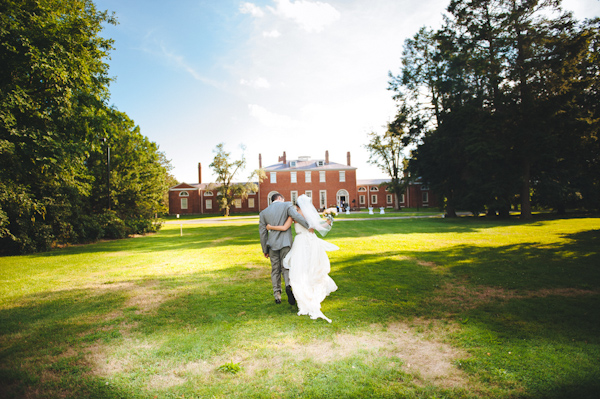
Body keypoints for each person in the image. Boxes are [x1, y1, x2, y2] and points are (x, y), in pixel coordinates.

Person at [266, 194, 338, 323]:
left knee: (299, 268)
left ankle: (301, 293)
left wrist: (270, 227)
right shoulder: (309, 215)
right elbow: (318, 227)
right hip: (311, 241)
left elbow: (284, 227)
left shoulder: (293, 215)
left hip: (300, 241)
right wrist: (329, 220)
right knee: (313, 267)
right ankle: (311, 291)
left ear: (296, 205)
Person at [259, 193, 312, 304]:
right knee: (286, 266)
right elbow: (297, 217)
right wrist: (309, 226)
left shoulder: (264, 213)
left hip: (272, 245)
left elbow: (262, 233)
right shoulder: (286, 205)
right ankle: (288, 286)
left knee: (275, 269)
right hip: (285, 243)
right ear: (280, 198)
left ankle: (277, 294)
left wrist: (265, 249)